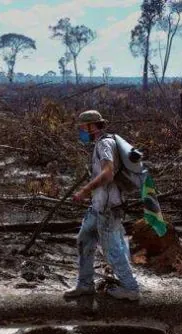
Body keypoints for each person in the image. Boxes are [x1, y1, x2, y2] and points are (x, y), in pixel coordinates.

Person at [64, 110, 140, 300]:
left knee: (112, 249)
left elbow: (108, 174)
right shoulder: (104, 143)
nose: (81, 131)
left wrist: (85, 190)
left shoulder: (104, 144)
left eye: (83, 127)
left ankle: (130, 289)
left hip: (107, 207)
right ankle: (85, 285)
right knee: (85, 239)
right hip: (98, 206)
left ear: (92, 127)